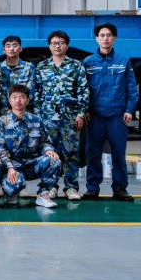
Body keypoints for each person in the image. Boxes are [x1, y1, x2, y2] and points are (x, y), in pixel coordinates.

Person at [83, 22, 139, 202]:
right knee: (93, 155)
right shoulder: (88, 62)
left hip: (117, 117)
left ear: (114, 38)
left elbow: (132, 88)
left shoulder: (123, 61)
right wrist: (85, 110)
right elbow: (82, 89)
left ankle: (120, 189)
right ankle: (92, 189)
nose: (105, 38)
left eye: (109, 35)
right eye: (102, 35)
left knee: (118, 155)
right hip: (95, 117)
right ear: (96, 38)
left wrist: (129, 110)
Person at [32, 30, 89, 201]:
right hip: (48, 119)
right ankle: (50, 187)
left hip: (69, 119)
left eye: (61, 43)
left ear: (67, 46)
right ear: (49, 46)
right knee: (50, 154)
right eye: (54, 43)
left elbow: (83, 91)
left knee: (71, 154)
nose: (57, 46)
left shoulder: (76, 66)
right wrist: (38, 117)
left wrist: (80, 113)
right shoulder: (42, 67)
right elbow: (37, 93)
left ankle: (71, 187)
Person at [0, 84, 59, 208]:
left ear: (28, 100)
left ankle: (43, 195)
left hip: (31, 164)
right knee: (12, 189)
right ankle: (10, 191)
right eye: (14, 97)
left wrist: (48, 150)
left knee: (54, 160)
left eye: (22, 97)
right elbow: (1, 148)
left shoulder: (36, 120)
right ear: (9, 100)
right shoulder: (2, 121)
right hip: (13, 166)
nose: (18, 101)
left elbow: (45, 142)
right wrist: (9, 167)